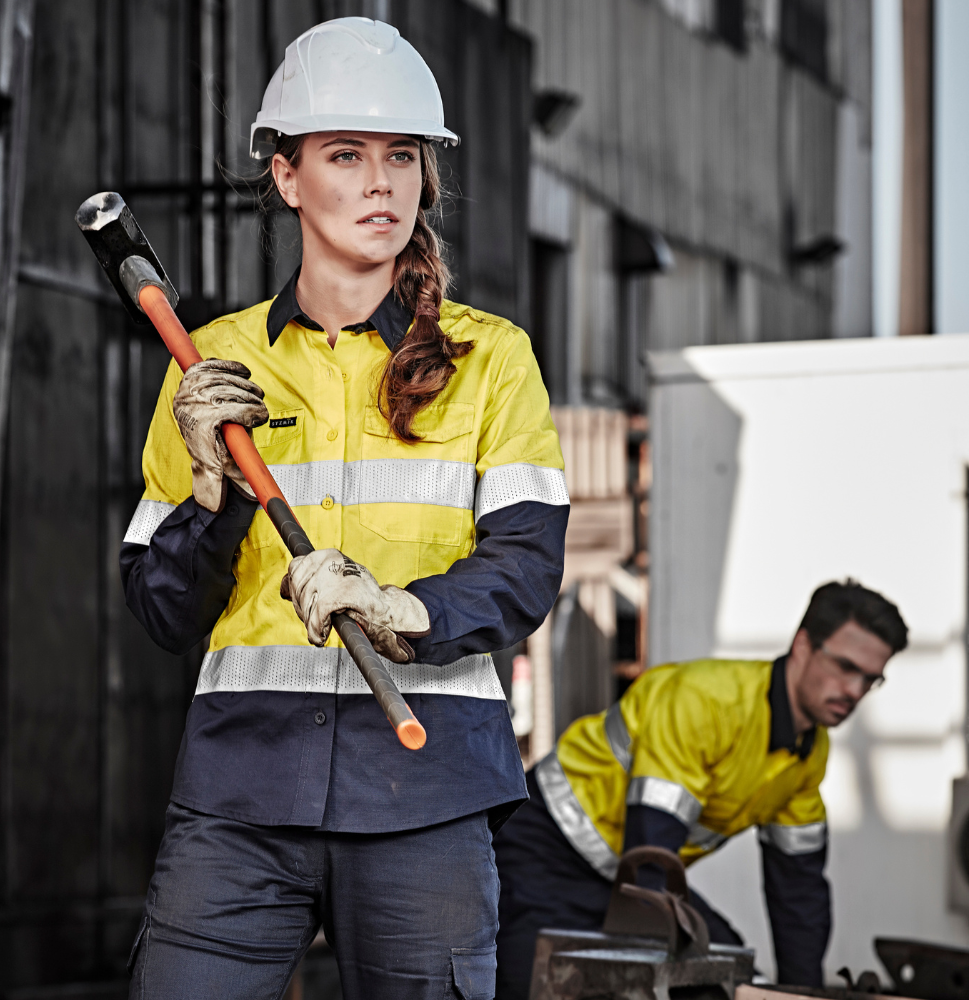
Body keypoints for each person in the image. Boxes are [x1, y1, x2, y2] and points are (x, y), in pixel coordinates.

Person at [119, 17, 569, 1000]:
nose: (380, 181)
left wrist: (405, 608)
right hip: (240, 795)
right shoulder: (210, 362)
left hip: (429, 791)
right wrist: (208, 491)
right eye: (345, 154)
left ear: (427, 175)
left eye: (401, 155)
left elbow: (527, 565)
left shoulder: (492, 358)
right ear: (286, 176)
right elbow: (161, 610)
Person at [494, 580, 908, 998]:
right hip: (542, 850)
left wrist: (801, 993)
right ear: (802, 645)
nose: (855, 691)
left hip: (626, 874)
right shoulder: (705, 701)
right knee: (534, 984)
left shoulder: (808, 753)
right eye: (846, 667)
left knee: (733, 976)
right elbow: (650, 859)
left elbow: (798, 895)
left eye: (871, 679)